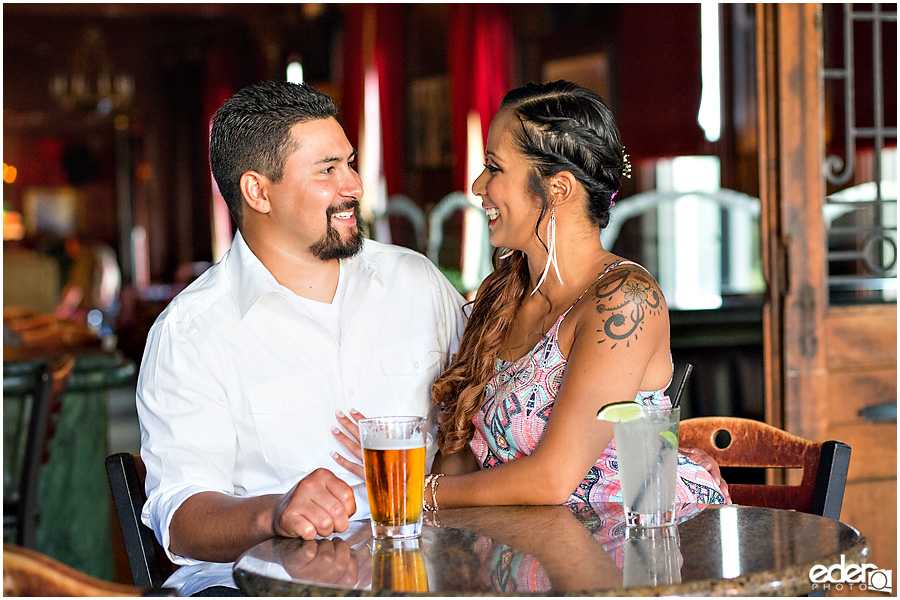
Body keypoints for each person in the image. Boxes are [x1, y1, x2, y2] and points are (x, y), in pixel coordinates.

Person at [136, 80, 466, 595]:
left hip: (422, 575)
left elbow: (481, 417)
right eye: (328, 170)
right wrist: (276, 511)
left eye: (350, 163)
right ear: (258, 192)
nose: (354, 185)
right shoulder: (191, 333)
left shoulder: (416, 282)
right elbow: (180, 518)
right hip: (264, 585)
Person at [335, 80, 727, 510]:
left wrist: (408, 489)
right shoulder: (501, 294)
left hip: (643, 551)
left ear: (558, 189)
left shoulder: (625, 298)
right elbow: (461, 454)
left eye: (495, 167)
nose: (478, 184)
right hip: (533, 556)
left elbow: (552, 479)